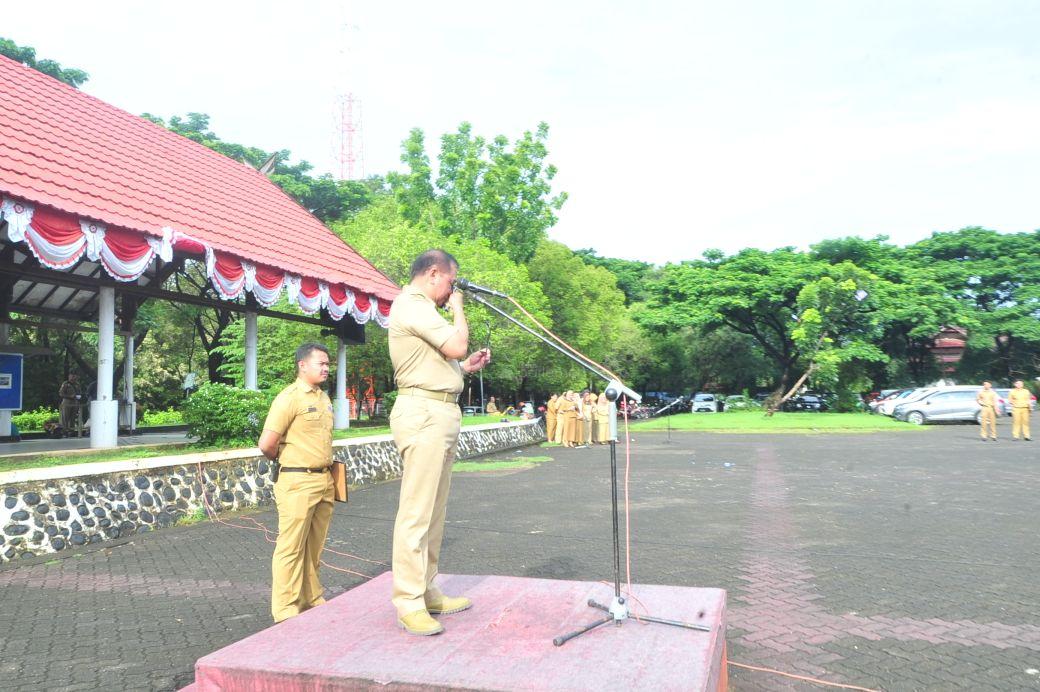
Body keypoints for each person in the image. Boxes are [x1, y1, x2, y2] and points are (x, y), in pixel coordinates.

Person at [388, 249, 491, 636]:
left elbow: (444, 360)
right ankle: (409, 601)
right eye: (451, 282)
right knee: (416, 512)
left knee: (435, 510)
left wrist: (464, 370)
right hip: (424, 413)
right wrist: (459, 311)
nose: (451, 290)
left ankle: (427, 589)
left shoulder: (422, 310)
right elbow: (456, 344)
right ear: (433, 274)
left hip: (441, 410)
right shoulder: (412, 304)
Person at [258, 342, 336, 623]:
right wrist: (287, 459)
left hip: (324, 479)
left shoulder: (323, 397)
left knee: (314, 546)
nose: (326, 368)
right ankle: (285, 609)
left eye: (328, 364)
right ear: (302, 365)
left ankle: (311, 598)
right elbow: (266, 443)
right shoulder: (289, 398)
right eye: (321, 364)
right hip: (297, 480)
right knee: (291, 547)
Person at [58, 373, 81, 437]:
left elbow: (79, 392)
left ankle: (71, 431)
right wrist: (69, 396)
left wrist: (79, 396)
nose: (73, 378)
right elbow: (61, 393)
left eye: (74, 376)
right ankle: (64, 432)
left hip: (75, 402)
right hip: (67, 402)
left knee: (73, 417)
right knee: (65, 417)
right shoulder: (65, 384)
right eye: (72, 376)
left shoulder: (77, 384)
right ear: (69, 377)